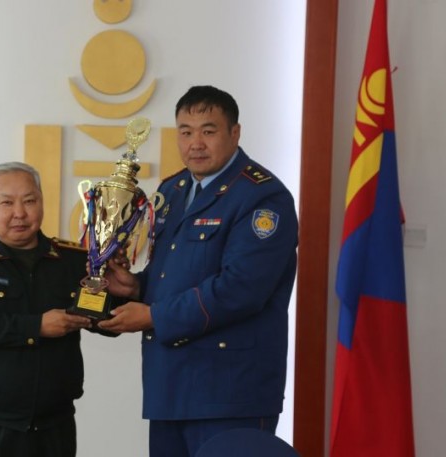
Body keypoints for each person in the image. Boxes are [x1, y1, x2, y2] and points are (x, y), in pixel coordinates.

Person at [98, 85, 299, 457]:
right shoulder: (173, 191)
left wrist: (154, 316)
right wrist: (135, 287)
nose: (196, 144)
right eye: (186, 132)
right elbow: (174, 276)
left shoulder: (262, 196)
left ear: (234, 133)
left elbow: (240, 290)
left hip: (230, 392)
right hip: (170, 386)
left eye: (208, 131)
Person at [0, 161, 95, 457]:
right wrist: (36, 326)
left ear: (42, 202)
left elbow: (101, 320)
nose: (20, 213)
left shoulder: (72, 259)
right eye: (7, 203)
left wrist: (116, 287)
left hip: (55, 422)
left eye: (29, 201)